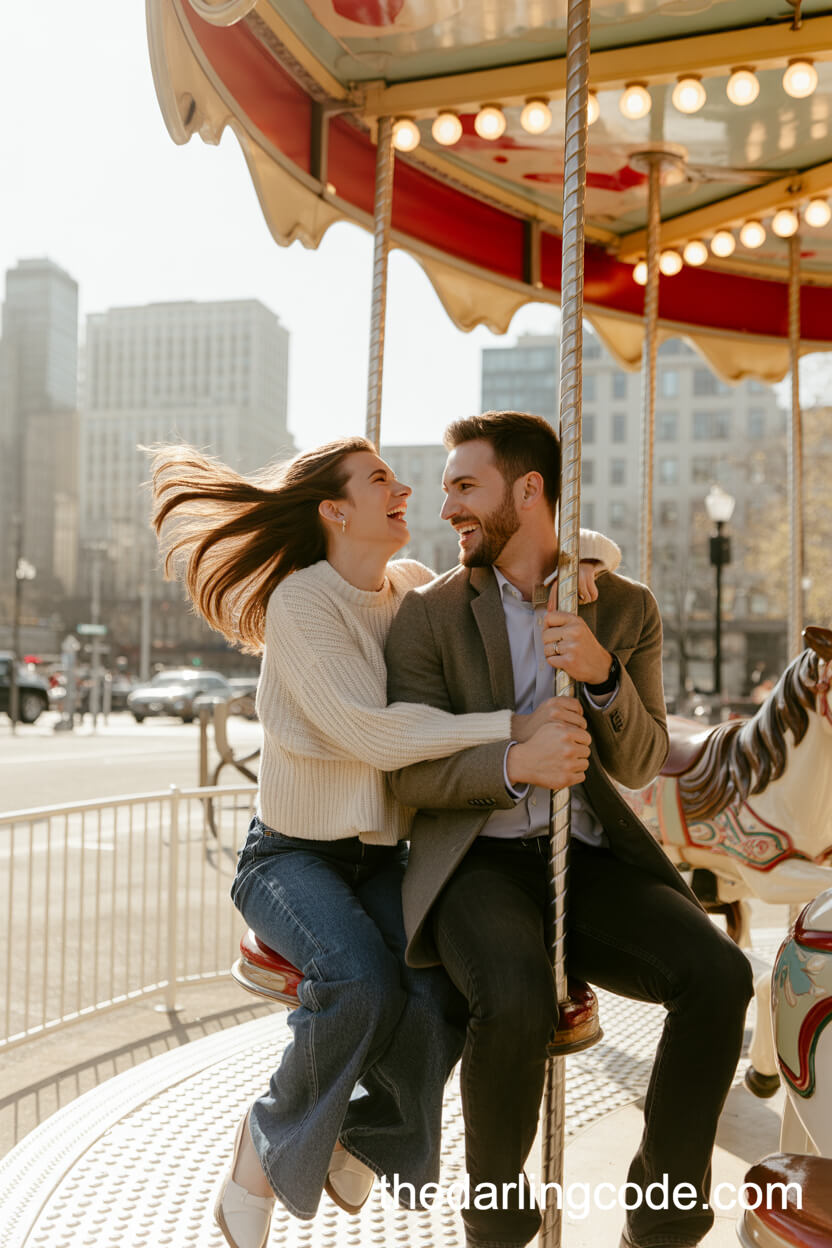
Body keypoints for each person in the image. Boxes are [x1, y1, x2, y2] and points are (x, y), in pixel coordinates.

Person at [147, 436, 619, 1248]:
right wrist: (513, 729)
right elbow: (371, 731)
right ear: (335, 511)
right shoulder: (304, 604)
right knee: (359, 978)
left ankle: (365, 1135)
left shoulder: (402, 589)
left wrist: (588, 562)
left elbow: (518, 565)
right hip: (292, 856)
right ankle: (267, 1141)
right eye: (379, 481)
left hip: (378, 856)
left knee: (440, 982)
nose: (404, 489)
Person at [384, 411, 755, 1248]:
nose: (450, 508)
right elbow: (406, 770)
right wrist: (515, 764)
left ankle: (662, 1217)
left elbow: (642, 757)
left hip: (588, 859)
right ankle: (496, 1223)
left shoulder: (621, 605)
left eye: (465, 487)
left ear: (530, 490)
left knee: (720, 974)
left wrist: (600, 675)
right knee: (514, 998)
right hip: (477, 861)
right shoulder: (431, 615)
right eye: (446, 490)